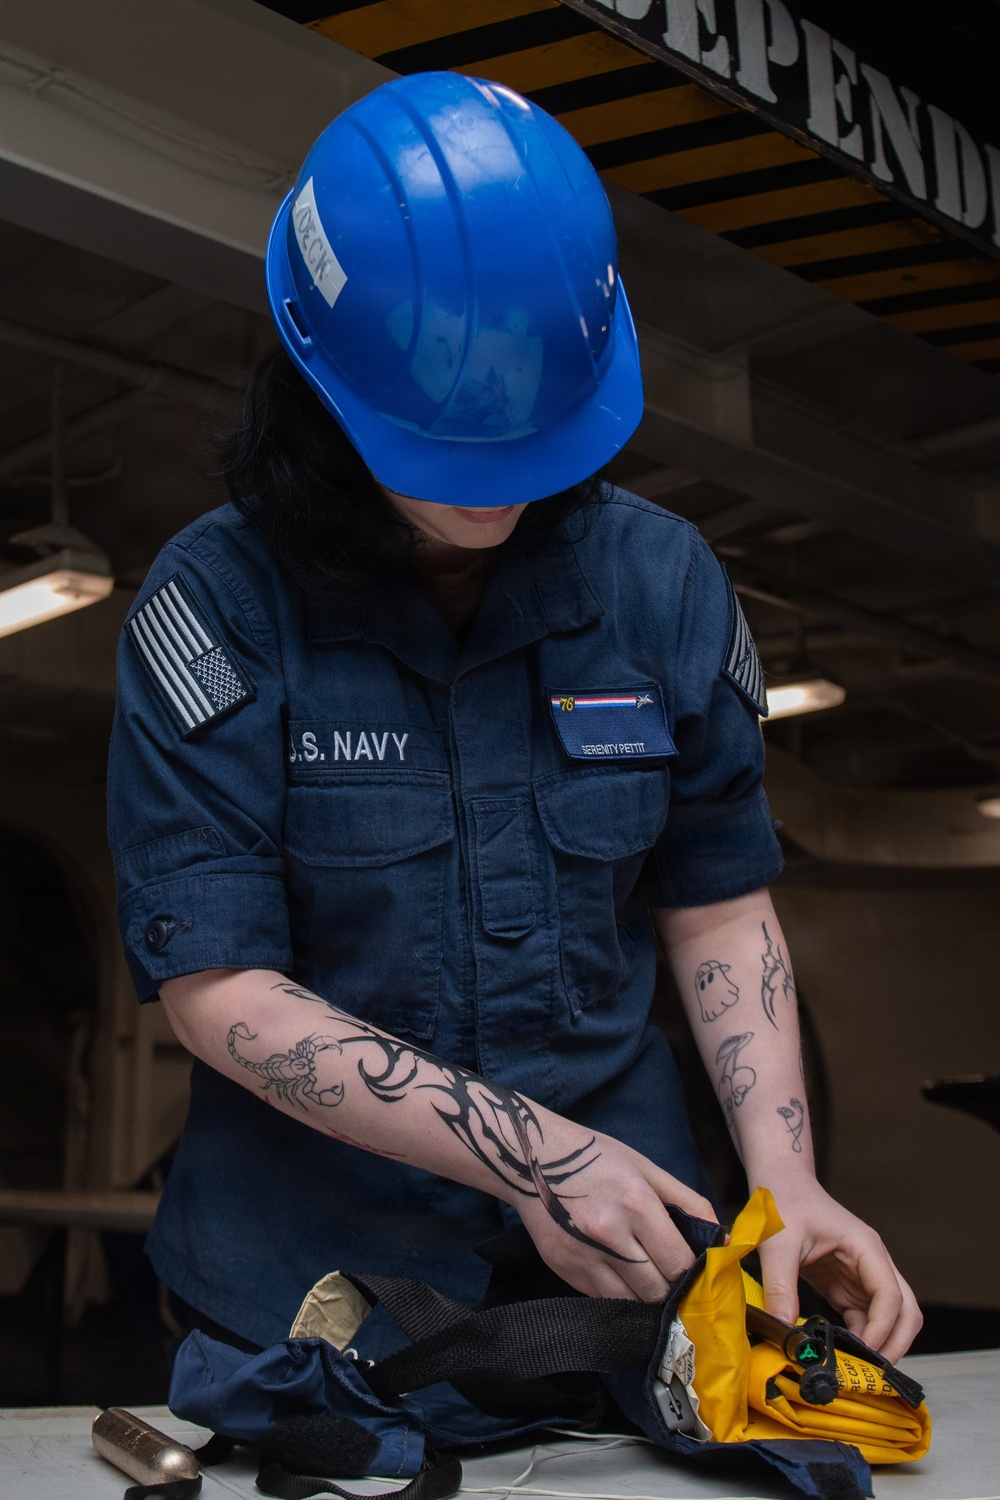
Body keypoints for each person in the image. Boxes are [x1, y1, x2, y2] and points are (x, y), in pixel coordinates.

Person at [107, 71, 921, 1367]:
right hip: (306, 1294)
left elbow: (715, 898)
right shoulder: (219, 603)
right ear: (325, 382)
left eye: (524, 449)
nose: (494, 498)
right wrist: (532, 1154)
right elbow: (221, 989)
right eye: (448, 454)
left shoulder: (660, 585)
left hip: (630, 1274)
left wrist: (788, 1187)